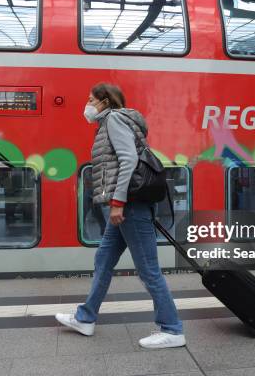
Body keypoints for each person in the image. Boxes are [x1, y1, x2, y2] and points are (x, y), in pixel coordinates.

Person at [55, 82, 185, 349]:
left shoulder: (113, 119)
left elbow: (128, 160)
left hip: (130, 206)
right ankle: (85, 317)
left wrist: (117, 203)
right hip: (128, 205)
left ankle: (172, 329)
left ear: (105, 102)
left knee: (149, 270)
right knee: (103, 258)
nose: (87, 105)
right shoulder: (109, 123)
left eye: (91, 100)